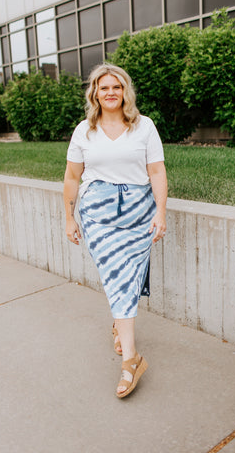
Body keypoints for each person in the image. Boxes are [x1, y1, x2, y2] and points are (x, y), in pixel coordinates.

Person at [63, 63, 167, 398]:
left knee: (130, 275)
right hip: (98, 212)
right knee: (117, 277)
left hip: (139, 210)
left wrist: (161, 212)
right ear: (94, 92)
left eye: (116, 87)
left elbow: (157, 172)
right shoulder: (84, 131)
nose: (110, 92)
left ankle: (119, 327)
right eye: (104, 87)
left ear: (125, 92)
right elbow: (72, 177)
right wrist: (69, 217)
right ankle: (132, 360)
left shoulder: (144, 127)